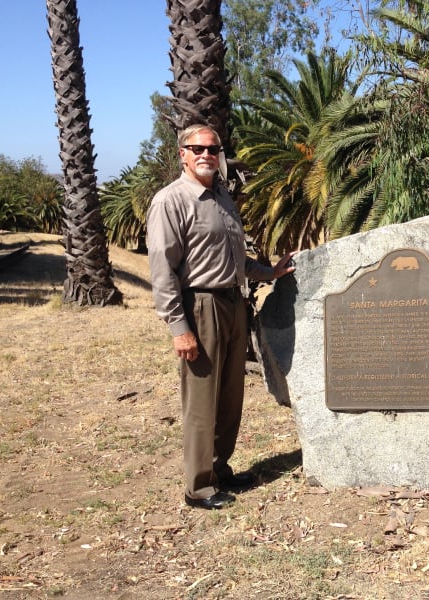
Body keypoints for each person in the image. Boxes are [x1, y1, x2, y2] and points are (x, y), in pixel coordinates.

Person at [147, 124, 296, 510]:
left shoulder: (222, 198)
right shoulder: (171, 201)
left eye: (213, 149)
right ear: (182, 153)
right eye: (197, 148)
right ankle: (198, 486)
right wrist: (179, 328)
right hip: (201, 306)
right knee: (202, 400)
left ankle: (220, 469)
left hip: (233, 303)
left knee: (230, 396)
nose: (206, 155)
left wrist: (270, 273)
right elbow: (163, 272)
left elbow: (235, 259)